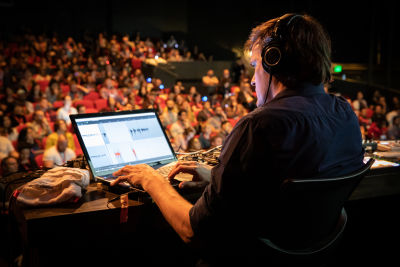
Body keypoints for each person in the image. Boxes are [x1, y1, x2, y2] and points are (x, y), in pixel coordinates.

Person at [110, 13, 365, 266]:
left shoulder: (259, 125)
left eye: (255, 66)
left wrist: (151, 179)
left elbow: (193, 231)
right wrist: (219, 178)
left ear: (273, 59)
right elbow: (288, 191)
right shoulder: (345, 114)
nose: (253, 81)